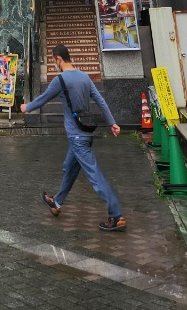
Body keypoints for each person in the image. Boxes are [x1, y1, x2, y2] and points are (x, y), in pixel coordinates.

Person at [20, 44, 126, 232]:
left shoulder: (60, 81)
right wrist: (112, 122)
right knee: (68, 168)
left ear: (58, 59)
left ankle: (116, 215)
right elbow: (100, 101)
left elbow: (43, 98)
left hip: (77, 138)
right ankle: (57, 202)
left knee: (95, 176)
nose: (54, 65)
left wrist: (27, 108)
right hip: (85, 134)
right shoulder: (84, 77)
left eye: (54, 61)